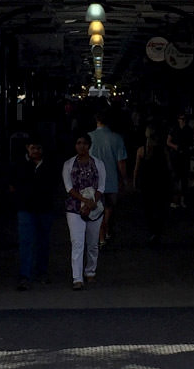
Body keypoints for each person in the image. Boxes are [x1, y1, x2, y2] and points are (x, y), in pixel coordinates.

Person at [11, 139, 61, 290]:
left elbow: (55, 184)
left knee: (43, 242)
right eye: (33, 148)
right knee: (26, 242)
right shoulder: (19, 164)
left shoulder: (50, 165)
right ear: (27, 148)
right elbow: (12, 183)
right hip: (25, 208)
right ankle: (25, 275)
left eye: (39, 148)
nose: (36, 151)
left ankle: (41, 272)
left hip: (44, 208)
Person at [62, 134, 106, 290]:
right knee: (77, 242)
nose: (82, 146)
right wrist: (83, 200)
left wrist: (92, 201)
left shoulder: (98, 164)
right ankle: (77, 277)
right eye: (79, 143)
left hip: (94, 207)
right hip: (75, 207)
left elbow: (101, 186)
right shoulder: (68, 164)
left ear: (89, 145)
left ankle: (90, 271)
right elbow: (69, 188)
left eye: (85, 143)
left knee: (93, 243)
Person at [88, 111, 128, 247]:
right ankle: (105, 231)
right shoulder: (117, 138)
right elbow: (121, 162)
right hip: (111, 179)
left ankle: (101, 237)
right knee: (109, 208)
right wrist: (123, 179)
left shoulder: (89, 137)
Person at [133, 125, 173, 244]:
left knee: (148, 208)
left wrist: (135, 181)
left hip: (147, 182)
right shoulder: (162, 150)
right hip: (160, 182)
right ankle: (158, 231)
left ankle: (152, 231)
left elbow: (137, 168)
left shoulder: (142, 150)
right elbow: (169, 167)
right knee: (160, 207)